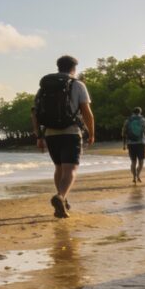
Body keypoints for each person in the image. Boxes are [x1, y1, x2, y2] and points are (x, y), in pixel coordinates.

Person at [32, 55, 95, 218]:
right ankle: (60, 196)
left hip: (50, 134)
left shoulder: (44, 87)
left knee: (59, 167)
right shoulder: (77, 84)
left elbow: (35, 113)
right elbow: (87, 113)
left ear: (58, 66)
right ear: (74, 68)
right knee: (71, 169)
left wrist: (39, 136)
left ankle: (63, 199)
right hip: (71, 132)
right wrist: (92, 133)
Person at [121, 107, 145, 183]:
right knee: (141, 161)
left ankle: (134, 177)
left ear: (133, 112)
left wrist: (124, 144)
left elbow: (123, 132)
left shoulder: (128, 120)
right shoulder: (143, 120)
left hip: (131, 144)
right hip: (141, 143)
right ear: (140, 112)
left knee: (133, 162)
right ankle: (138, 175)